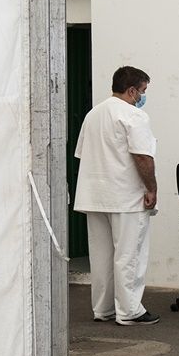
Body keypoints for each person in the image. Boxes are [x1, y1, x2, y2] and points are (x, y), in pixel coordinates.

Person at [73, 66, 160, 325]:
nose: (143, 96)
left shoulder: (93, 114)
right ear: (132, 90)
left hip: (94, 194)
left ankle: (103, 308)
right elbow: (142, 156)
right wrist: (151, 188)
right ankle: (130, 310)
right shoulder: (134, 115)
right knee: (129, 254)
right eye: (142, 91)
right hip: (125, 196)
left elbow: (81, 154)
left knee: (100, 257)